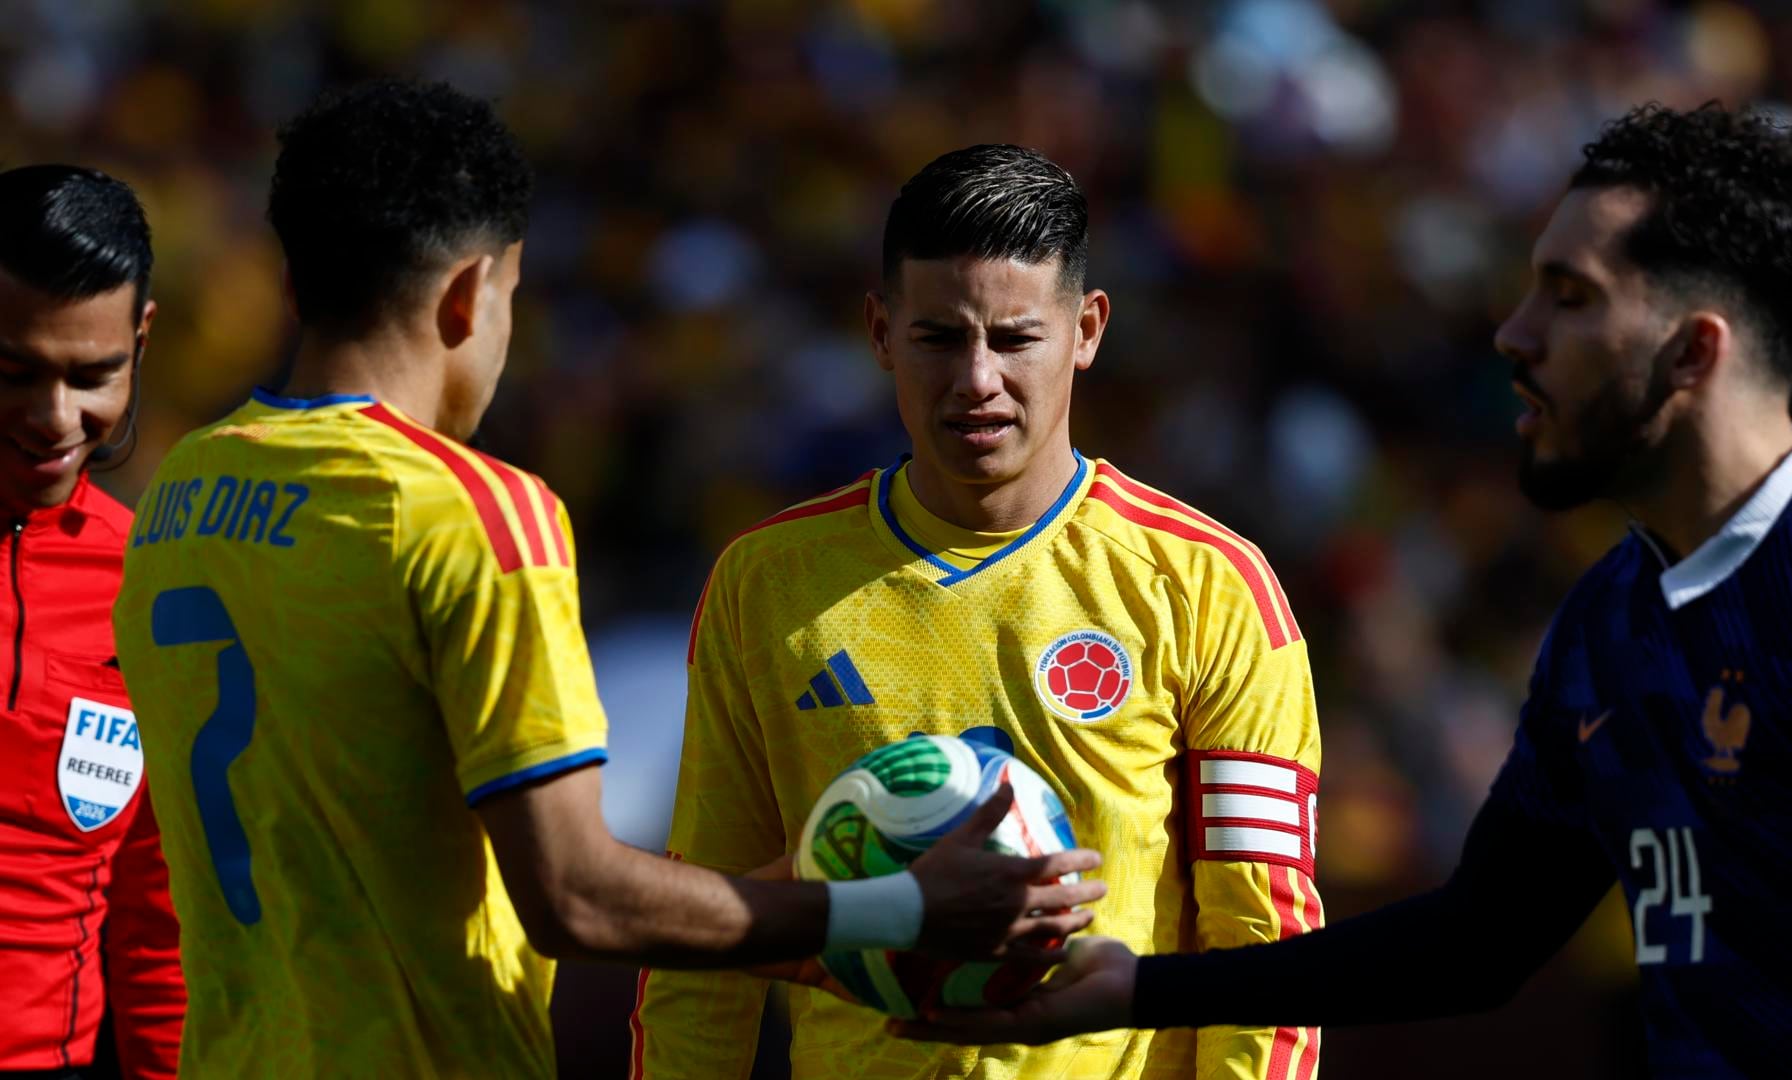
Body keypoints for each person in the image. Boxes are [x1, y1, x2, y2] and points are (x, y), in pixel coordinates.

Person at [894, 103, 1792, 1077]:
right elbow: (1477, 941)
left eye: (1569, 297)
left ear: (1693, 349)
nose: (1514, 335)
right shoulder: (1613, 616)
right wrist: (1140, 990)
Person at [109, 81, 1103, 1079]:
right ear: (474, 292)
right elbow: (574, 895)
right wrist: (899, 907)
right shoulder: (471, 513)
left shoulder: (181, 491)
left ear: (293, 280)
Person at [635, 144, 1325, 1080]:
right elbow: (702, 929)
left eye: (1013, 339)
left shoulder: (1208, 586)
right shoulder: (769, 582)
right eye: (939, 338)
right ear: (880, 333)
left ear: (1086, 329)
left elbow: (1266, 939)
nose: (976, 379)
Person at [0, 164, 185, 1080]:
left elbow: (159, 930)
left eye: (91, 376)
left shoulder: (148, 586)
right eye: (13, 372)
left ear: (140, 343)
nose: (51, 417)